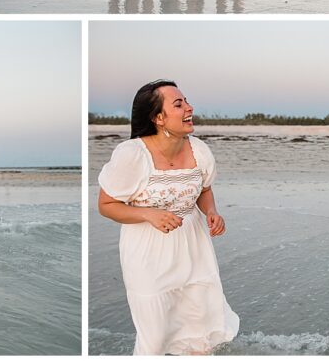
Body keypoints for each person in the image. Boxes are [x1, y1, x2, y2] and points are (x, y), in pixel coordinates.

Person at [97, 80, 238, 355]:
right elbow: (106, 204)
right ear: (158, 118)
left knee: (200, 335)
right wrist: (148, 214)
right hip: (148, 254)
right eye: (179, 104)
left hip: (194, 248)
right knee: (155, 339)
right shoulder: (132, 155)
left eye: (186, 101)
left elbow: (204, 189)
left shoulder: (199, 150)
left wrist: (211, 212)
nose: (189, 107)